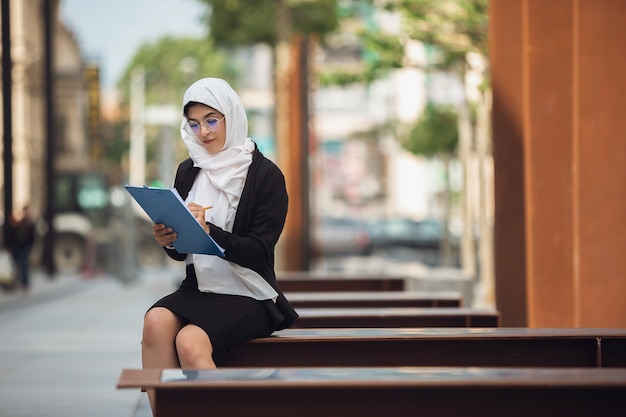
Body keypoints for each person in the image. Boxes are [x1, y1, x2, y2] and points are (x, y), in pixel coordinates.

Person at [142, 77, 298, 414]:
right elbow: (182, 251)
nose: (204, 132)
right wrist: (169, 239)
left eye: (212, 120)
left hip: (249, 291)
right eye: (194, 124)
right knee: (155, 322)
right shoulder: (189, 171)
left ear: (231, 115)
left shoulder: (266, 177)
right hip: (199, 288)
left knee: (189, 340)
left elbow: (259, 252)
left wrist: (210, 230)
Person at [4, 205, 36, 292]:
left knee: (23, 265)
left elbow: (31, 235)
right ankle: (13, 283)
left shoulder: (28, 222)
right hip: (16, 246)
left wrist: (30, 246)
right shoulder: (13, 222)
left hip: (23, 246)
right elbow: (9, 234)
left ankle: (24, 283)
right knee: (15, 265)